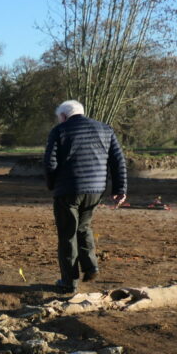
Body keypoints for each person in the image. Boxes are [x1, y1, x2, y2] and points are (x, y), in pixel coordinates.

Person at [43, 100, 127, 293]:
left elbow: (50, 162)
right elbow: (118, 161)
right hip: (95, 190)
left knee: (67, 235)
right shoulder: (105, 129)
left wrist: (52, 185)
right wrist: (119, 189)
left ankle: (69, 281)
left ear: (63, 116)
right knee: (84, 227)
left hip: (68, 190)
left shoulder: (60, 130)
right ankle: (90, 266)